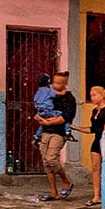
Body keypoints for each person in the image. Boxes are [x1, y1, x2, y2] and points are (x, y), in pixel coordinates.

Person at [35, 71, 76, 201]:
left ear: (65, 83)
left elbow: (66, 116)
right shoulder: (48, 94)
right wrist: (40, 118)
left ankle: (66, 181)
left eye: (58, 83)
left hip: (58, 132)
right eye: (54, 82)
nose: (55, 85)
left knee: (51, 158)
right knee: (46, 162)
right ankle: (54, 192)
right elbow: (37, 109)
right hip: (45, 131)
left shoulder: (69, 98)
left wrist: (49, 121)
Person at [70, 86, 105, 207]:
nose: (92, 97)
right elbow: (92, 129)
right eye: (91, 95)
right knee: (95, 169)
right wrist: (76, 128)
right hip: (97, 140)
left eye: (94, 95)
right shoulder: (95, 111)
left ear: (102, 95)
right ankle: (96, 196)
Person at [31, 73, 70, 145]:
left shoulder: (38, 92)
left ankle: (37, 136)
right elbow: (61, 93)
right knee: (63, 115)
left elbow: (35, 103)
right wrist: (64, 88)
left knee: (43, 124)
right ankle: (67, 132)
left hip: (40, 112)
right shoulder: (49, 91)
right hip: (48, 111)